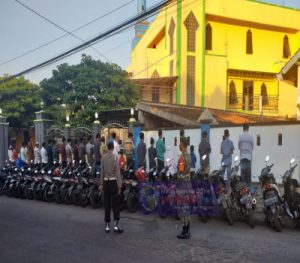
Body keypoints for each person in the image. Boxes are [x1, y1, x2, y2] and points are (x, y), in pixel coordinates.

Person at [100, 140, 123, 234]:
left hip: (106, 183)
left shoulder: (103, 158)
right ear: (113, 148)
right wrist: (119, 185)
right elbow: (117, 171)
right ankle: (116, 226)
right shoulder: (115, 157)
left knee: (107, 205)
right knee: (115, 205)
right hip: (113, 182)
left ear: (107, 148)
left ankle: (107, 226)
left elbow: (101, 172)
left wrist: (101, 184)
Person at [177, 136, 191, 239]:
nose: (179, 144)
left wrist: (177, 176)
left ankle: (185, 231)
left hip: (183, 185)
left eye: (180, 143)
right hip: (188, 184)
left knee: (183, 208)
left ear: (183, 145)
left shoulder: (182, 158)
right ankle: (187, 231)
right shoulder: (188, 156)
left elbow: (181, 173)